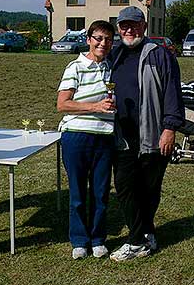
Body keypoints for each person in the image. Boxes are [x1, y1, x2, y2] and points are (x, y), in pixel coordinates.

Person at [107, 6, 184, 261]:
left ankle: (145, 233)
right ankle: (138, 239)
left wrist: (169, 128)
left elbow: (173, 93)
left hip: (153, 134)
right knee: (126, 187)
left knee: (150, 189)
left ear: (144, 26)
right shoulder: (114, 54)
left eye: (134, 25)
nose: (129, 30)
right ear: (118, 29)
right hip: (123, 136)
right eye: (124, 26)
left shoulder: (159, 54)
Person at [57, 20, 115, 259]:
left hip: (105, 138)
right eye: (98, 38)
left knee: (101, 193)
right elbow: (62, 104)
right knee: (78, 193)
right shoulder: (75, 67)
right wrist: (96, 107)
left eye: (108, 39)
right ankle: (79, 240)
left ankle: (98, 238)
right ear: (89, 39)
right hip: (77, 136)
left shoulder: (112, 67)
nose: (103, 43)